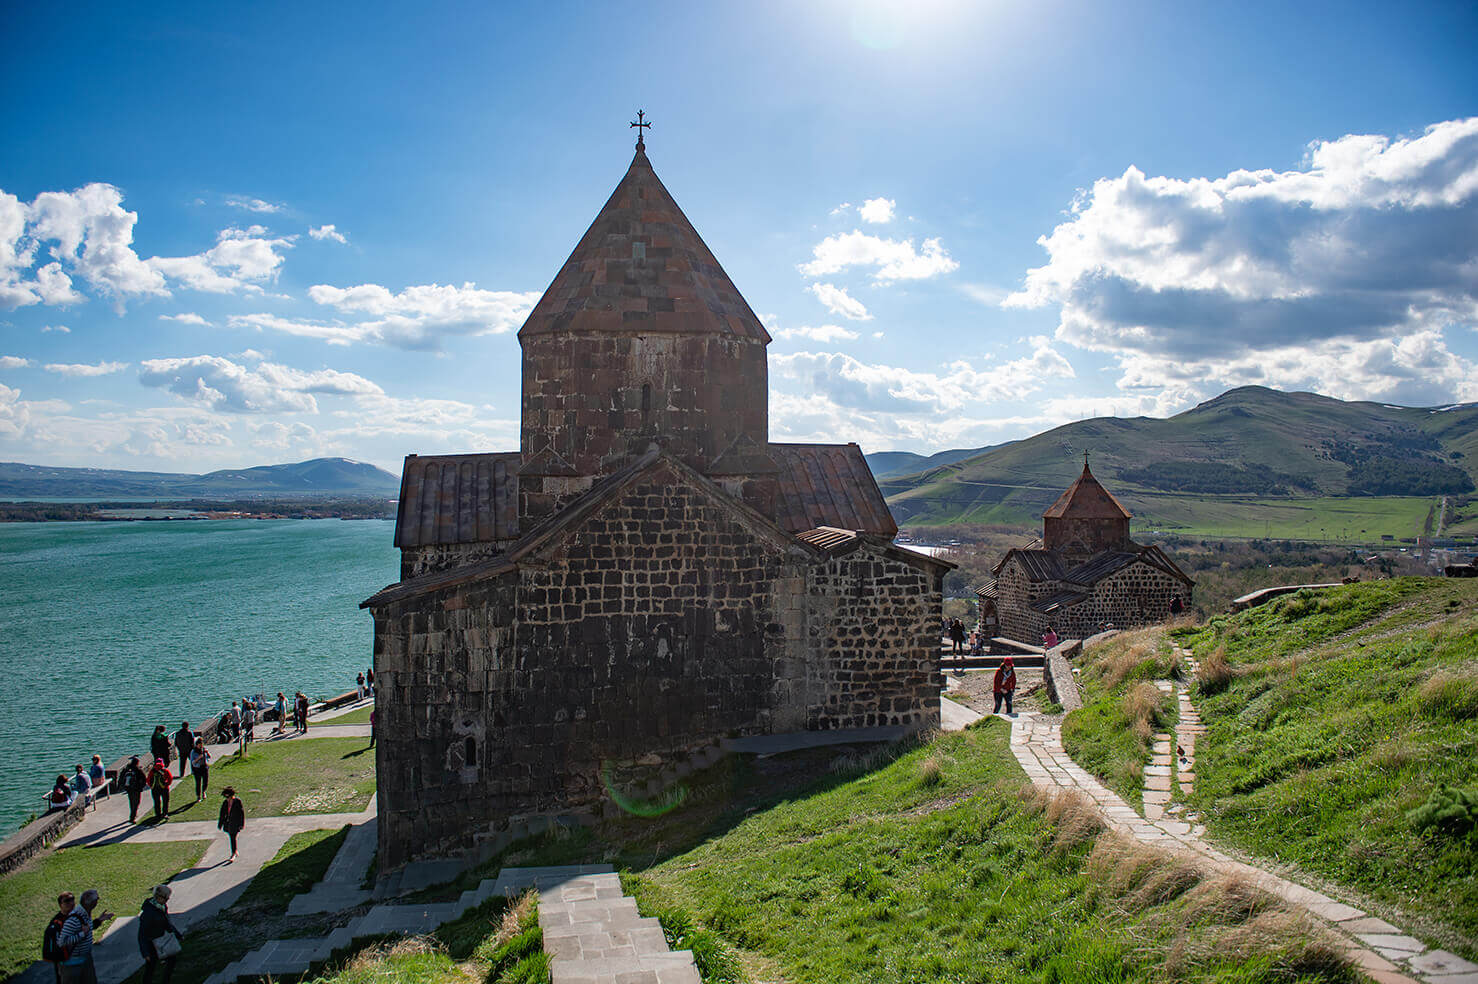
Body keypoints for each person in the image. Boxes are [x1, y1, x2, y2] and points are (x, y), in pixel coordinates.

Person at [57, 888, 113, 984]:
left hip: (85, 959)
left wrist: (99, 920)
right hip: (72, 965)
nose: (97, 901)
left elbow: (88, 927)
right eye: (96, 899)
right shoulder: (74, 918)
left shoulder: (84, 913)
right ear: (88, 901)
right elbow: (62, 942)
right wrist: (82, 934)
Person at [137, 884, 183, 984]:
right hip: (151, 944)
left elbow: (167, 923)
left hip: (162, 940)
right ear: (158, 897)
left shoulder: (161, 907)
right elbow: (142, 934)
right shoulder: (148, 913)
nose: (167, 900)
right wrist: (145, 952)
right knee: (151, 967)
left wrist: (177, 934)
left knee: (171, 960)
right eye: (166, 898)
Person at [43, 892, 77, 984]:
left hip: (78, 958)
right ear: (60, 905)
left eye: (72, 899)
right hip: (64, 961)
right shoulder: (58, 922)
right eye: (67, 901)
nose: (71, 902)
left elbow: (86, 927)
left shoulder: (76, 916)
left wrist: (98, 921)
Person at [218, 787, 246, 862]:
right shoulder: (225, 803)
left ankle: (233, 853)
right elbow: (222, 813)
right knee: (232, 837)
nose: (227, 799)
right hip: (228, 823)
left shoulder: (237, 801)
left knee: (232, 837)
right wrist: (220, 823)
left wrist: (241, 824)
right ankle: (235, 851)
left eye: (228, 797)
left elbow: (241, 813)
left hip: (235, 823)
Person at [119, 756, 148, 822]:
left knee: (131, 802)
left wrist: (124, 786)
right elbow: (144, 779)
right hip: (136, 789)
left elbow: (121, 778)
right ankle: (132, 817)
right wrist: (141, 787)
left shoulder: (126, 769)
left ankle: (133, 814)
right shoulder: (138, 770)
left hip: (129, 788)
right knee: (137, 802)